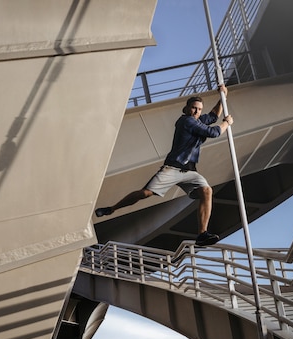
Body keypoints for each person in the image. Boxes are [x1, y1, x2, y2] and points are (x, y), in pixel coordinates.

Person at [94, 85, 233, 246]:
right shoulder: (186, 121)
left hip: (190, 171)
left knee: (207, 190)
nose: (196, 112)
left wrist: (223, 96)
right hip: (172, 168)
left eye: (199, 109)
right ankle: (112, 209)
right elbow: (214, 132)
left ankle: (202, 234)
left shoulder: (197, 120)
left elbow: (213, 116)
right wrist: (227, 123)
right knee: (145, 193)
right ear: (187, 108)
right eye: (194, 108)